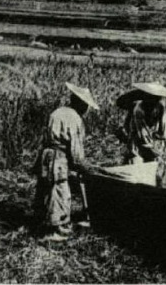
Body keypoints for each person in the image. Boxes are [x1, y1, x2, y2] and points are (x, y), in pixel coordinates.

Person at [33, 82, 98, 241]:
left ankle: (42, 222)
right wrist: (85, 168)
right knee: (60, 190)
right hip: (58, 158)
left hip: (46, 154)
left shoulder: (57, 112)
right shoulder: (75, 118)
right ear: (81, 104)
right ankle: (57, 231)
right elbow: (76, 152)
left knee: (46, 188)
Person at [117, 82, 166, 164]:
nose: (155, 100)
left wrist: (163, 144)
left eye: (157, 98)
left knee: (154, 164)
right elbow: (142, 134)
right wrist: (154, 151)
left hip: (152, 141)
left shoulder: (160, 107)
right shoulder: (139, 109)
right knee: (135, 162)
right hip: (137, 141)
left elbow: (164, 128)